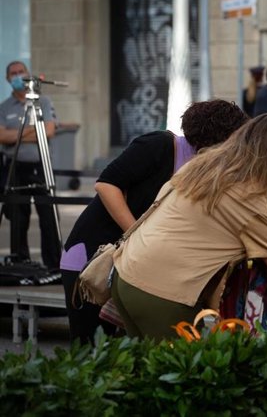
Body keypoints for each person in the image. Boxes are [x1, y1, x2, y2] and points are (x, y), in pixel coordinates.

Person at [111, 114, 267, 341]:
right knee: (186, 372)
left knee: (147, 369)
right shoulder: (247, 193)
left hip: (127, 275)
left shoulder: (208, 166)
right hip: (160, 291)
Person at [60, 100, 248, 344]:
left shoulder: (206, 168)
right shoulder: (159, 145)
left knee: (125, 352)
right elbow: (106, 184)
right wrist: (138, 235)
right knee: (90, 347)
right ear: (218, 137)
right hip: (92, 258)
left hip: (133, 265)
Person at [0, 60, 61, 269]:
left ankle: (53, 264)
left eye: (21, 72)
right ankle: (20, 261)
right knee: (17, 217)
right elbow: (1, 137)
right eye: (13, 73)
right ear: (8, 79)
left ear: (28, 74)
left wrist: (15, 135)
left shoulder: (42, 101)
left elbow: (49, 131)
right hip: (14, 167)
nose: (18, 76)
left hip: (39, 165)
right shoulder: (4, 107)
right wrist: (32, 131)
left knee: (48, 216)